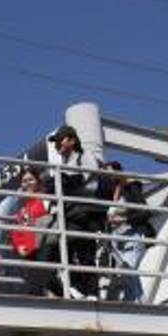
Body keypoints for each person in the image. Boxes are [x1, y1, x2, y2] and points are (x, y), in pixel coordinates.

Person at [46, 124, 104, 297]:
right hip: (70, 213)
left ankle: (92, 293)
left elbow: (89, 179)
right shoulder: (62, 164)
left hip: (84, 212)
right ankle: (80, 289)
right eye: (55, 143)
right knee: (64, 254)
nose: (57, 146)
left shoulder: (84, 156)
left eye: (60, 141)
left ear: (71, 140)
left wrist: (66, 182)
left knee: (85, 254)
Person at [99, 160, 155, 302]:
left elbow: (145, 212)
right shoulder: (112, 192)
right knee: (127, 274)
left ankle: (139, 305)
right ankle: (139, 304)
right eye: (104, 173)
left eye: (109, 171)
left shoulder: (130, 187)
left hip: (134, 235)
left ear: (118, 171)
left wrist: (123, 220)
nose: (107, 175)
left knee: (127, 270)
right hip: (119, 241)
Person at [6, 167, 61, 297]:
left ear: (37, 181)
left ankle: (67, 294)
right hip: (29, 251)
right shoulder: (22, 209)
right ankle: (65, 294)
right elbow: (16, 231)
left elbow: (57, 218)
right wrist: (19, 246)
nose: (27, 183)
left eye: (30, 179)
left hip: (46, 245)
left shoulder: (45, 199)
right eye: (24, 181)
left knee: (41, 278)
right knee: (37, 280)